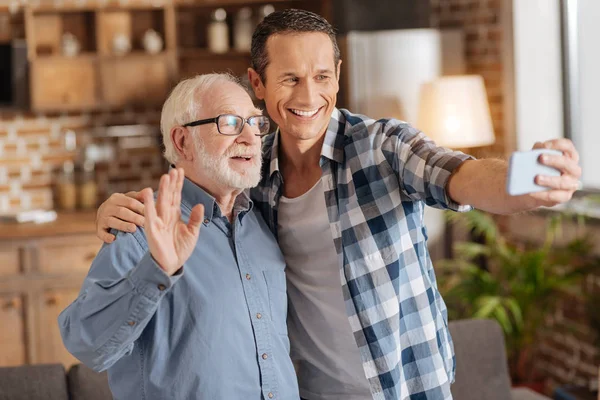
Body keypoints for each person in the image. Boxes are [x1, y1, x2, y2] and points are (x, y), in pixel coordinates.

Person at [94, 9, 582, 400]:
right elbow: (193, 176)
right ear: (257, 84)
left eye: (322, 76)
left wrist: (525, 180)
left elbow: (460, 174)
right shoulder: (252, 171)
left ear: (338, 77)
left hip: (406, 386)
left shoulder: (381, 146)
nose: (309, 96)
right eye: (289, 79)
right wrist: (117, 209)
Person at [58, 73, 299, 400]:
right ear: (182, 141)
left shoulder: (265, 219)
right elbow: (87, 346)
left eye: (255, 122)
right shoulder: (143, 225)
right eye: (229, 122)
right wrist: (157, 269)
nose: (250, 136)